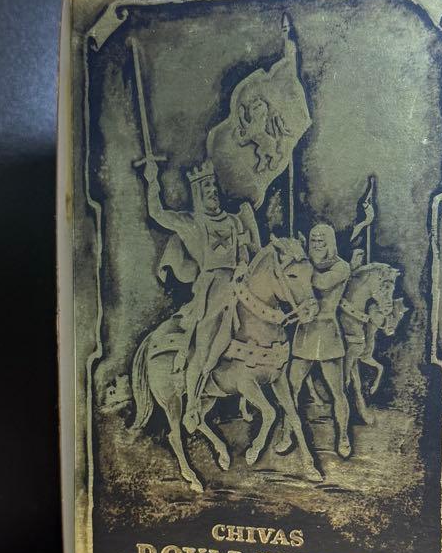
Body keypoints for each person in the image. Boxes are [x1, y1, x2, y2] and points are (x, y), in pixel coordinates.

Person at [141, 157, 260, 430]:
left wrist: (243, 265)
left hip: (239, 285)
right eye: (207, 190)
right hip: (211, 291)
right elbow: (157, 213)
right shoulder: (191, 223)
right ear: (198, 194)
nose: (213, 194)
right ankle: (193, 405)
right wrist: (151, 180)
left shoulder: (233, 221)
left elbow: (244, 253)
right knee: (204, 347)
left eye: (215, 189)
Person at [286, 223, 352, 458]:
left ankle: (343, 436)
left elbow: (322, 282)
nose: (316, 244)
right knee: (290, 388)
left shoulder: (341, 267)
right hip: (305, 330)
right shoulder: (305, 264)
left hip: (327, 333)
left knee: (338, 392)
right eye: (313, 240)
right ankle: (287, 432)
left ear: (330, 242)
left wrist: (300, 263)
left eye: (321, 240)